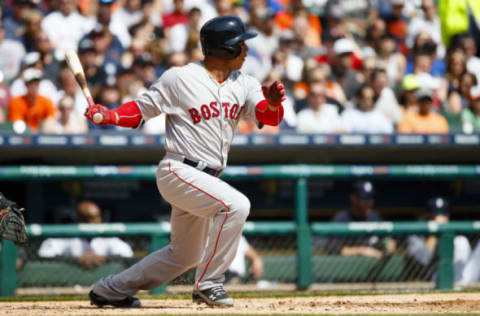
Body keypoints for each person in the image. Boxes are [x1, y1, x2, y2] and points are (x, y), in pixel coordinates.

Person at [84, 15, 285, 308]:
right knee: (236, 205)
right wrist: (110, 115)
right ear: (224, 49)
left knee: (185, 255)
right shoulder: (180, 78)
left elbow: (268, 117)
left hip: (207, 179)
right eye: (241, 44)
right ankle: (209, 283)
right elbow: (140, 111)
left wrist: (274, 104)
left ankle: (109, 290)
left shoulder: (245, 82)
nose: (246, 50)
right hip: (177, 170)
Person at [407, 197, 480, 285]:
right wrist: (436, 231)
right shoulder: (416, 233)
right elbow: (424, 260)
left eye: (444, 215)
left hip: (464, 277)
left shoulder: (454, 229)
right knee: (460, 241)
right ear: (426, 215)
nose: (440, 218)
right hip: (435, 280)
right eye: (435, 215)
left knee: (461, 241)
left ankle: (461, 286)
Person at [38, 200, 133, 268]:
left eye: (95, 218)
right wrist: (74, 260)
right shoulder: (68, 236)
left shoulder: (108, 238)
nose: (92, 222)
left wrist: (104, 258)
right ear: (78, 219)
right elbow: (44, 254)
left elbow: (127, 255)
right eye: (86, 218)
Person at [329, 181, 395, 259]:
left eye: (371, 198)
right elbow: (332, 249)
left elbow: (388, 239)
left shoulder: (375, 217)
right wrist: (361, 251)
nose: (369, 202)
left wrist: (390, 244)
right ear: (353, 198)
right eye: (365, 199)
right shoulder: (341, 219)